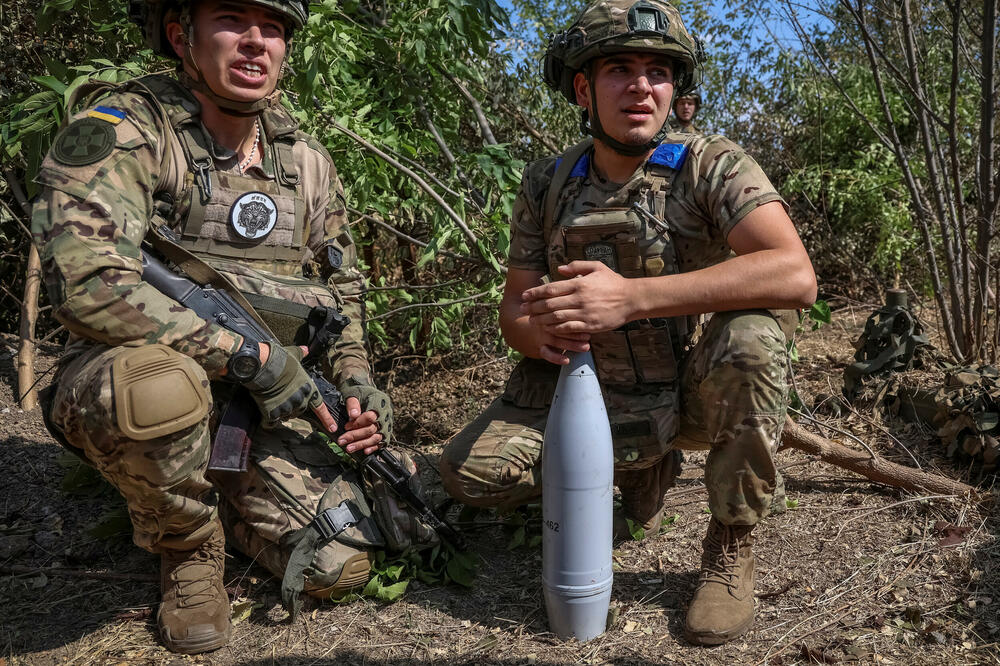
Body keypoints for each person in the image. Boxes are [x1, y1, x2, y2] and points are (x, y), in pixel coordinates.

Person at [31, 0, 433, 654]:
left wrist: (356, 385)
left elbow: (342, 294)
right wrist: (246, 358)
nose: (255, 43)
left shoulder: (304, 159)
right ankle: (188, 549)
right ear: (179, 34)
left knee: (340, 562)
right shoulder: (127, 130)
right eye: (231, 19)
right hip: (134, 371)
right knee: (157, 391)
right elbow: (86, 283)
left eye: (272, 28)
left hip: (262, 398)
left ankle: (217, 496)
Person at [438, 0, 816, 646]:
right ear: (583, 89)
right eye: (619, 69)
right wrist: (543, 330)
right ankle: (635, 474)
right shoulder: (548, 182)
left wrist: (632, 298)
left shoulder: (709, 165)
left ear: (675, 89)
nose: (641, 86)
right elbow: (514, 310)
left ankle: (730, 542)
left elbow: (794, 274)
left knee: (752, 340)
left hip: (690, 395)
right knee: (469, 473)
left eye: (658, 72)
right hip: (585, 394)